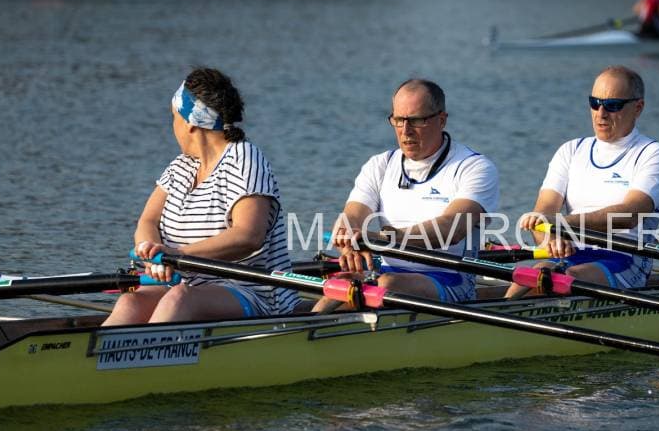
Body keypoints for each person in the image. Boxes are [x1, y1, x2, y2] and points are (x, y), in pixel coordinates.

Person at [102, 68, 299, 325]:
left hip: (254, 293)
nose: (172, 127)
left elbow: (249, 235)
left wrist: (177, 256)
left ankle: (152, 349)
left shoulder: (245, 159)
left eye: (173, 117)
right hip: (185, 286)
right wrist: (151, 255)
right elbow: (148, 221)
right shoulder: (181, 166)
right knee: (131, 302)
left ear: (190, 123)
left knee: (180, 299)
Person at [313, 79, 499, 311]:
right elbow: (351, 217)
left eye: (416, 120)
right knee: (342, 283)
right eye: (398, 120)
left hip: (451, 280)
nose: (405, 130)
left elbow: (451, 228)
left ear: (441, 120)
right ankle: (305, 327)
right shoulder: (380, 165)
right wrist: (349, 244)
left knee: (387, 285)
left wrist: (383, 238)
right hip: (384, 274)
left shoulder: (473, 167)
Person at [505, 66, 659, 296]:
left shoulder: (652, 153)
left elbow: (629, 214)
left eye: (613, 105)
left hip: (625, 257)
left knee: (564, 277)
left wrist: (562, 224)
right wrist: (551, 237)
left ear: (638, 107)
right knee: (531, 276)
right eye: (595, 103)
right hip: (571, 254)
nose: (601, 113)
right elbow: (543, 211)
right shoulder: (571, 150)